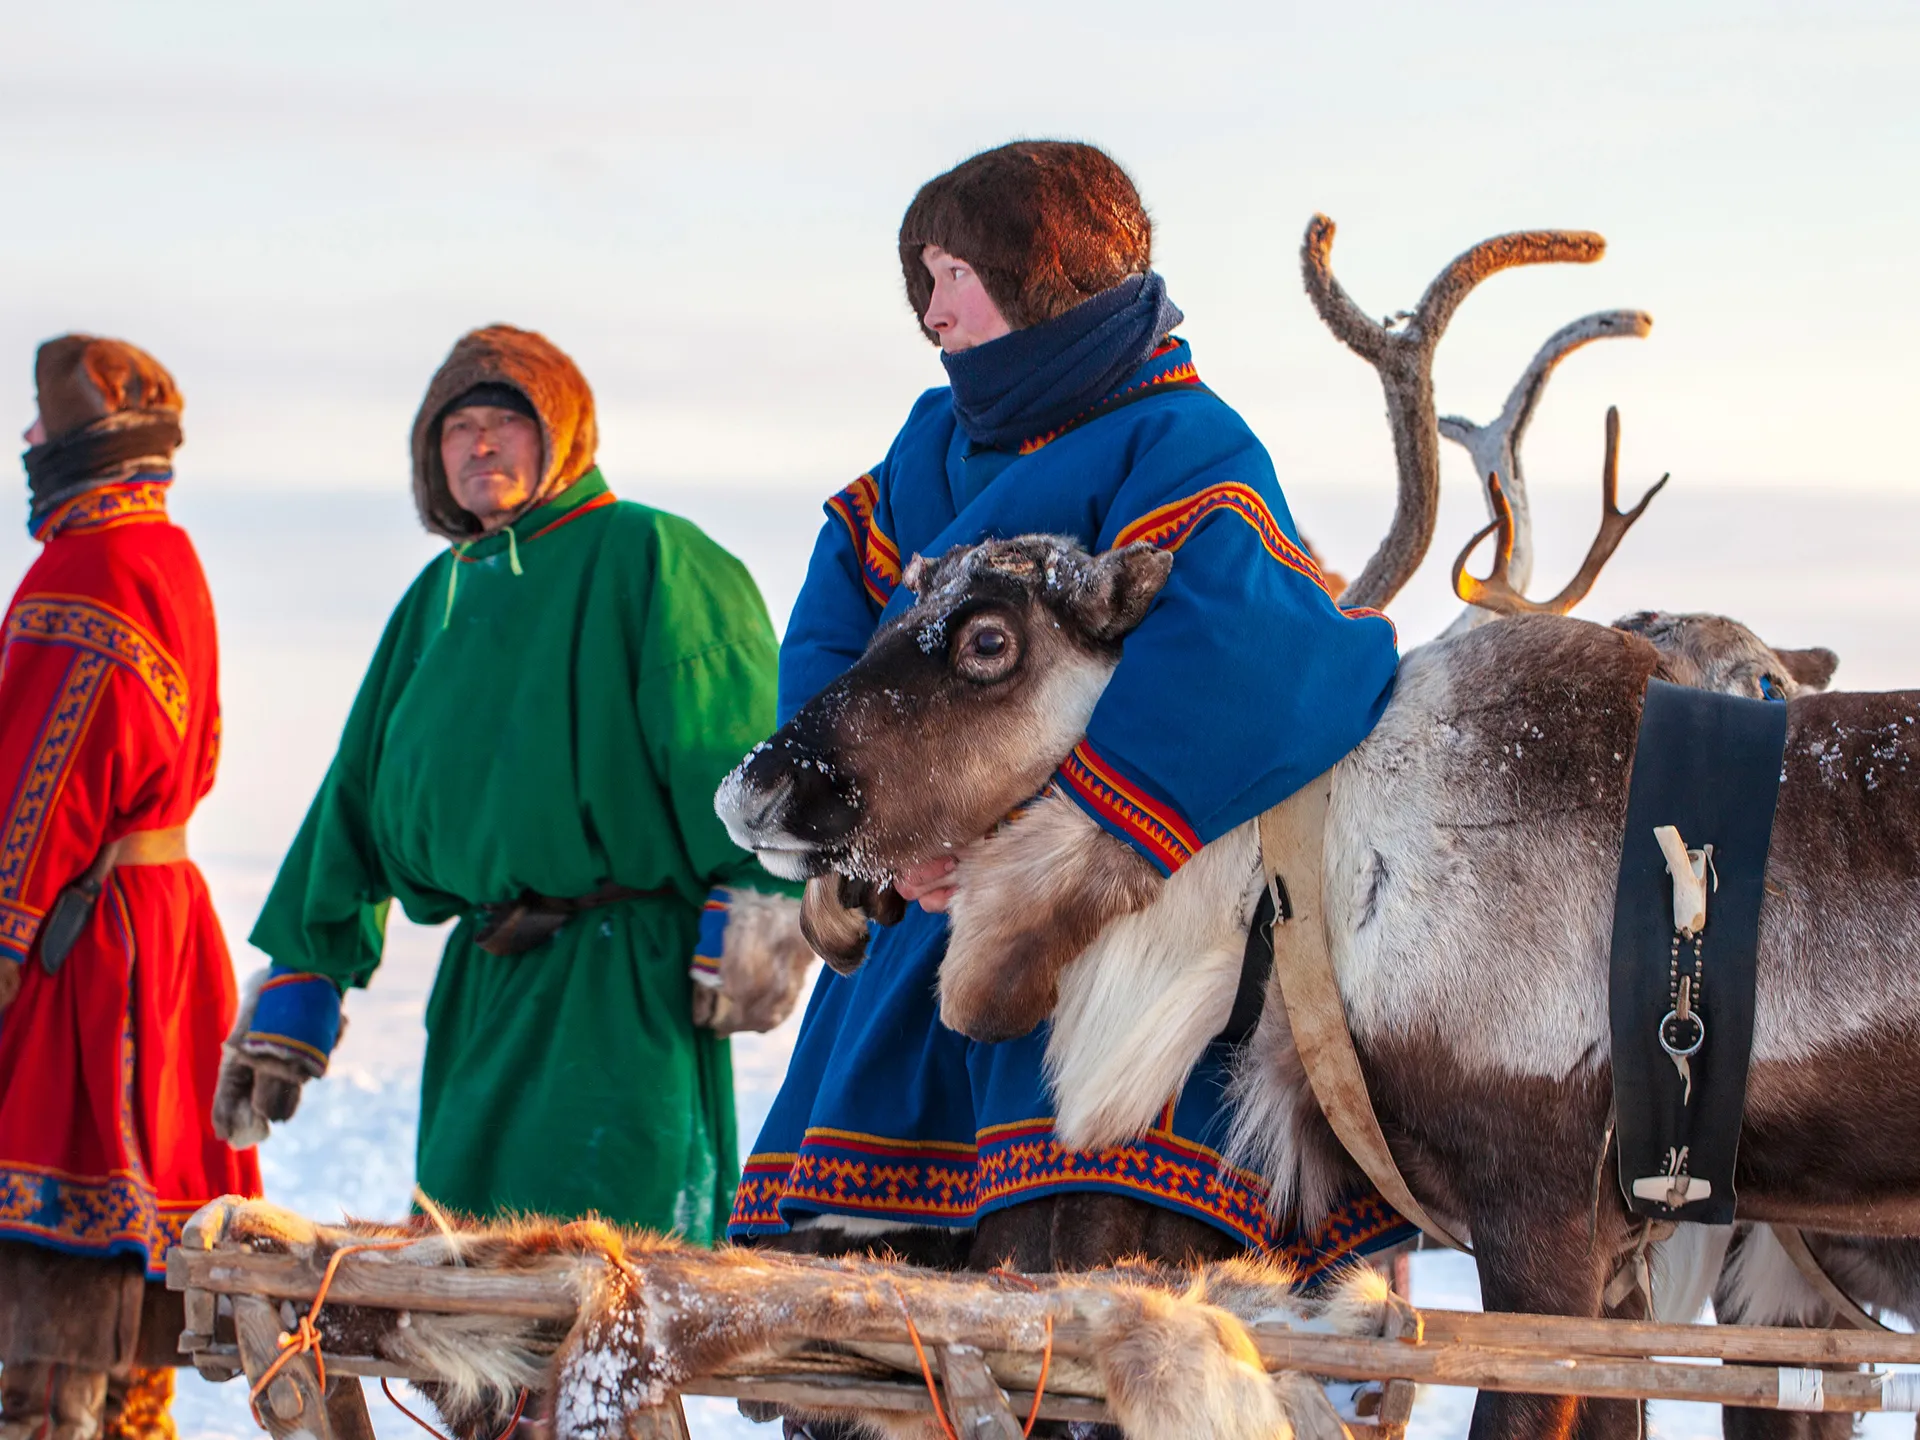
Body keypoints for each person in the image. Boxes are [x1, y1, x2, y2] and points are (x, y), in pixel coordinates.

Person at [733, 142, 1417, 1275]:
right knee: (864, 1301)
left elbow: (1255, 657)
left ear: (1040, 269)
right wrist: (872, 839)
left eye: (954, 274)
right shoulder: (925, 450)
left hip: (1112, 950)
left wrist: (1044, 858)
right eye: (925, 278)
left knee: (1097, 1298)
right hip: (923, 929)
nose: (931, 309)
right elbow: (833, 639)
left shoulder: (1178, 437)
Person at [228, 325, 809, 1243]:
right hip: (481, 982)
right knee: (465, 1278)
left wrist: (761, 907)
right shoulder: (437, 596)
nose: (481, 444)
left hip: (625, 977)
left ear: (564, 434)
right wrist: (306, 972)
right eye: (457, 430)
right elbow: (356, 796)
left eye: (506, 421)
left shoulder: (651, 554)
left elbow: (738, 749)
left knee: (608, 1275)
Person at [0, 335, 260, 1440]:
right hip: (159, 935)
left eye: (43, 424)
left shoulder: (85, 568)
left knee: (50, 1286)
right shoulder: (169, 554)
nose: (25, 441)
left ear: (84, 444)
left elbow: (33, 790)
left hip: (82, 949)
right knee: (128, 1265)